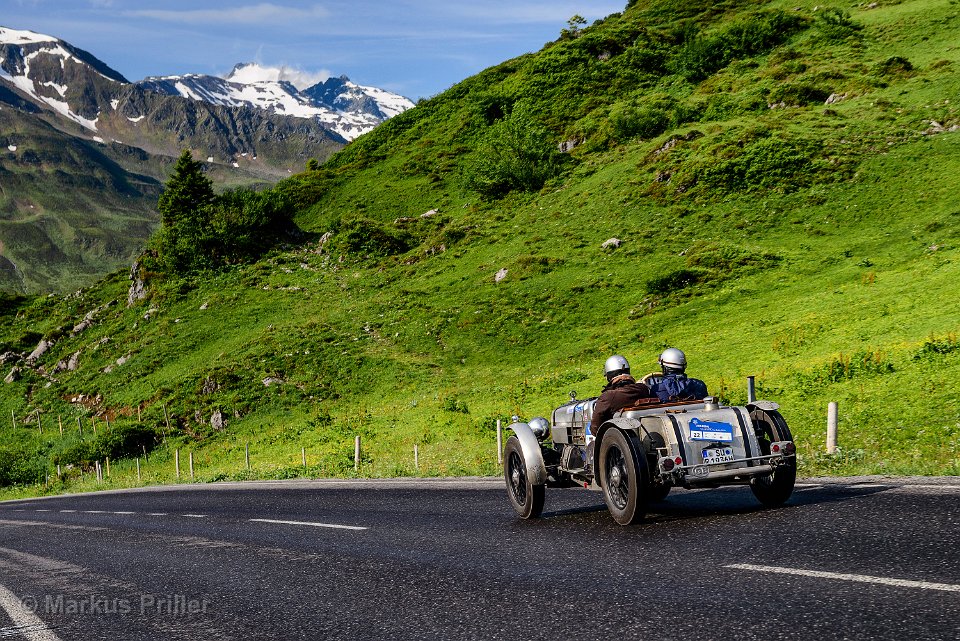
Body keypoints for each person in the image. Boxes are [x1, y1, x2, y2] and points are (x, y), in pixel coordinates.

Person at [589, 355, 657, 432]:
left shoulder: (608, 396)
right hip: (648, 431)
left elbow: (595, 428)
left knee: (591, 444)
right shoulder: (644, 389)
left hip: (618, 438)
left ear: (609, 375)